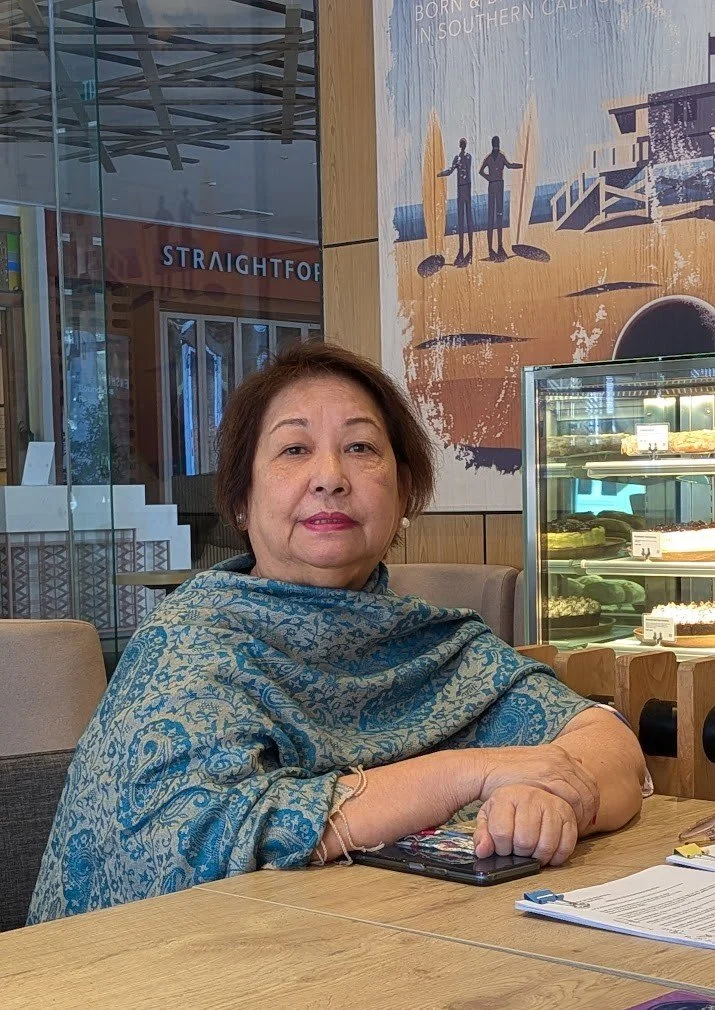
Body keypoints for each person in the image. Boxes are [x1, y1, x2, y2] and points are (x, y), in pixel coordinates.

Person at [28, 342, 646, 923]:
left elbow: (604, 737)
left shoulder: (431, 643)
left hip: (391, 948)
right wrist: (470, 773)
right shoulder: (188, 647)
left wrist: (553, 798)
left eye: (360, 447)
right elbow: (194, 841)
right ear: (241, 500)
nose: (330, 477)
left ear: (404, 492)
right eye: (294, 450)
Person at [479, 136, 523, 261]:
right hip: (494, 185)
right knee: (492, 217)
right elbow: (481, 171)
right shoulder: (490, 157)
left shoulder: (499, 156)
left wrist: (521, 165)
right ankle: (491, 248)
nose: (496, 147)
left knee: (498, 215)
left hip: (498, 184)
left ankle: (499, 246)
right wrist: (489, 178)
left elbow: (509, 165)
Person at [438, 137, 474, 266]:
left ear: (460, 145)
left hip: (464, 188)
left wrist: (439, 174)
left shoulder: (462, 158)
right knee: (465, 220)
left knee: (464, 220)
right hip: (465, 188)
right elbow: (450, 171)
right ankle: (465, 249)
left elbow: (450, 171)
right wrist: (440, 174)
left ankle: (465, 249)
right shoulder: (466, 157)